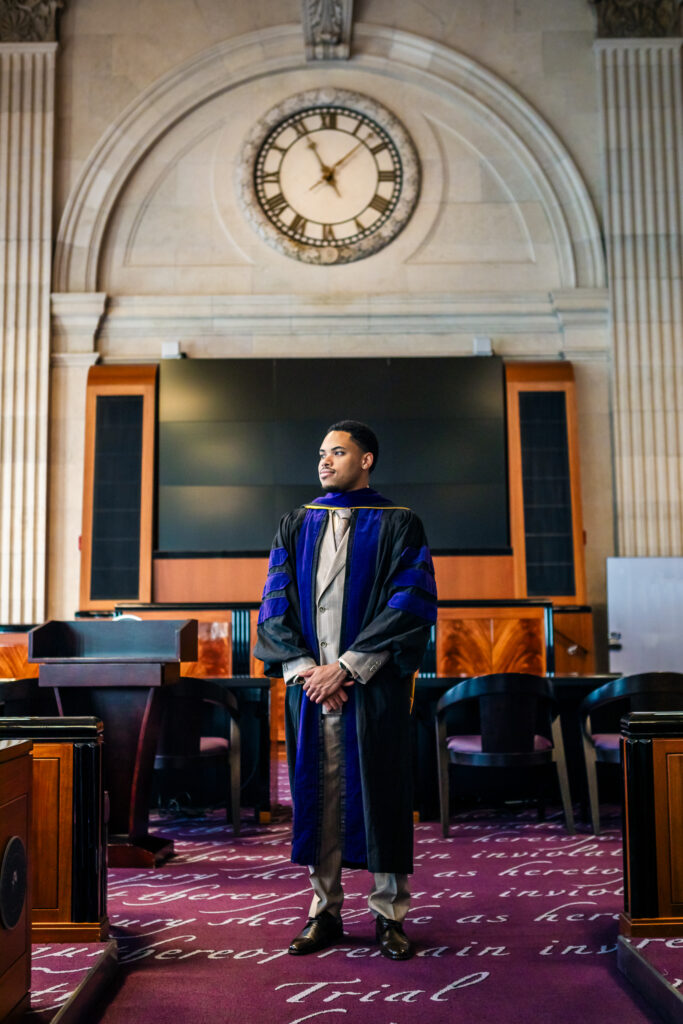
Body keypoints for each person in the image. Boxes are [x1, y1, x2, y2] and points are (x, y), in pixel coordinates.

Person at [254, 420, 436, 961]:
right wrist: (310, 670)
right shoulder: (295, 523)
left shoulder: (400, 524)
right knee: (318, 795)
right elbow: (273, 601)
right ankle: (323, 910)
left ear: (367, 460)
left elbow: (410, 604)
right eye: (321, 453)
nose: (324, 461)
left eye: (337, 452)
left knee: (381, 792)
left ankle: (389, 916)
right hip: (311, 687)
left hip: (373, 687)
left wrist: (350, 669)